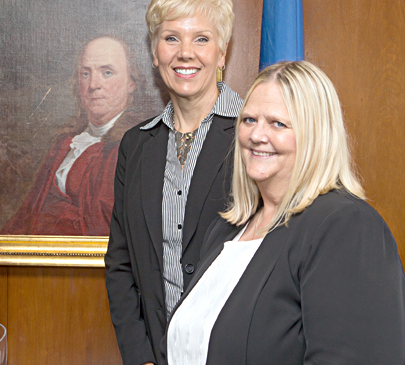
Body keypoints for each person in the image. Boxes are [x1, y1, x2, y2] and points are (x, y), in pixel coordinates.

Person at [166, 61, 405, 364]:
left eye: (277, 123)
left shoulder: (346, 227)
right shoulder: (227, 229)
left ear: (314, 135)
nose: (256, 135)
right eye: (249, 120)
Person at [105, 0, 242, 365]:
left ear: (222, 52)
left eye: (201, 39)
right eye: (171, 38)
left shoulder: (257, 134)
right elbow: (121, 262)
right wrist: (142, 356)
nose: (185, 53)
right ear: (154, 51)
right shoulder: (136, 145)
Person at [0, 36, 141, 236]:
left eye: (107, 73)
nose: (93, 84)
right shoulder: (65, 144)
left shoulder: (135, 147)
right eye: (85, 73)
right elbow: (26, 215)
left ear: (131, 83)